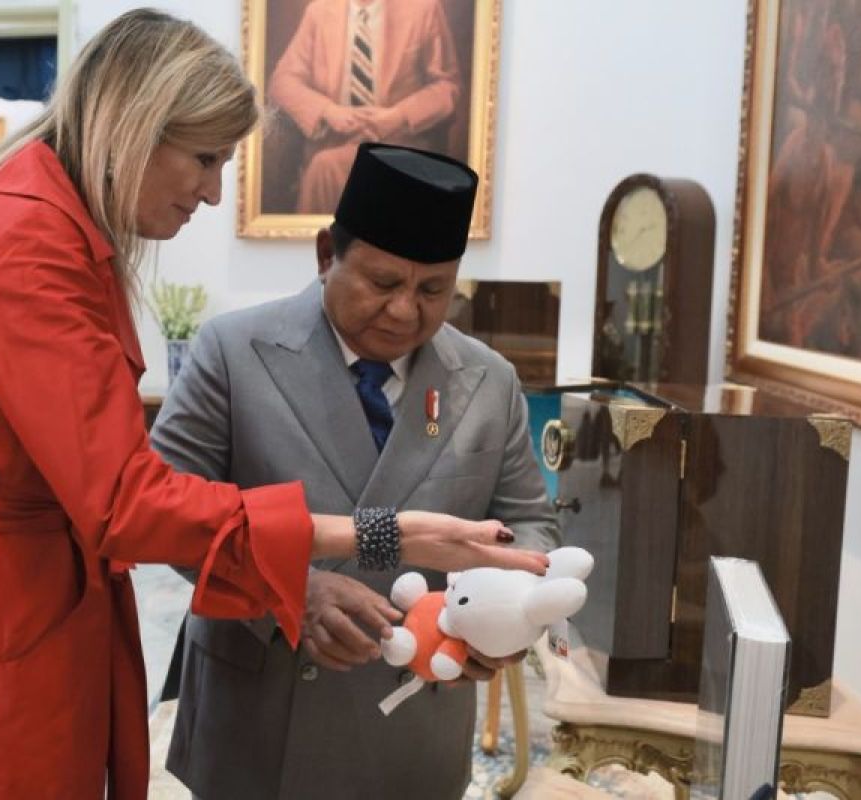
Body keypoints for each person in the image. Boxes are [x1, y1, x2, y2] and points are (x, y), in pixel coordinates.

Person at [0, 11, 546, 800]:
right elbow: (129, 500)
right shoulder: (30, 242)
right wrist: (378, 534)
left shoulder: (53, 225)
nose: (213, 191)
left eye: (431, 290)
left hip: (38, 601)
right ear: (133, 125)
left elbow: (530, 520)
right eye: (204, 158)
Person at [155, 142, 559, 799]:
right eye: (383, 283)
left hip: (413, 723)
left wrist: (500, 615)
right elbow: (166, 515)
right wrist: (291, 589)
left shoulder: (488, 381)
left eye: (433, 290)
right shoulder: (232, 352)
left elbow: (529, 526)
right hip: (258, 718)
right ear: (326, 255)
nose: (404, 312)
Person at [268, 0, 461, 212]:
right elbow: (282, 82)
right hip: (335, 140)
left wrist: (399, 116)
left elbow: (447, 87)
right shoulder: (319, 12)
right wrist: (328, 111)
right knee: (324, 166)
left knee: (326, 168)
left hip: (399, 141)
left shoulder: (423, 9)